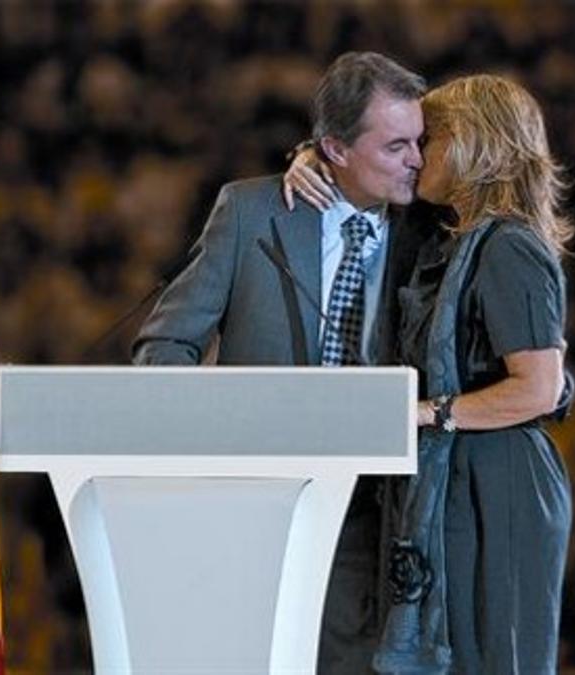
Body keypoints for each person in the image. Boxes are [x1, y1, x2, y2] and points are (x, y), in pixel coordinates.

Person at [132, 52, 428, 673]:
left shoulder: (428, 232)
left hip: (372, 509)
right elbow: (165, 343)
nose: (417, 161)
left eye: (419, 143)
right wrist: (205, 450)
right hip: (255, 507)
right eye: (397, 145)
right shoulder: (250, 211)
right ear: (335, 150)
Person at [285, 74, 573, 674]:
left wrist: (427, 412)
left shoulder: (508, 245)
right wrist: (314, 159)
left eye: (429, 140)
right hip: (464, 473)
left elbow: (539, 386)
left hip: (498, 481)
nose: (415, 158)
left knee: (494, 655)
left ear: (473, 145)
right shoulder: (455, 240)